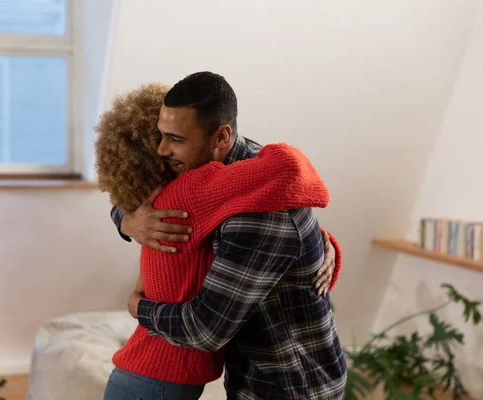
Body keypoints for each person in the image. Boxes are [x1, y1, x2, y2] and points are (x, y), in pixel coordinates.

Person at [97, 77, 344, 400]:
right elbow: (137, 185)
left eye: (175, 139)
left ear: (222, 137)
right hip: (248, 370)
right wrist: (128, 221)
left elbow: (205, 329)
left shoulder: (257, 211)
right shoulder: (219, 167)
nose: (161, 150)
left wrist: (139, 307)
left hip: (291, 384)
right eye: (160, 135)